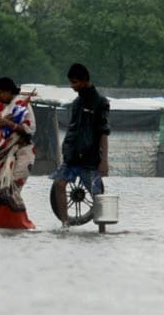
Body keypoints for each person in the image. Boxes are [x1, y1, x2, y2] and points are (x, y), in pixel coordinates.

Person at [50, 63, 110, 227]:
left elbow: (104, 133)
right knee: (59, 184)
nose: (73, 86)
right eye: (71, 82)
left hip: (90, 159)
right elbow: (73, 129)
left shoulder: (100, 102)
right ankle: (65, 224)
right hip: (72, 156)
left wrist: (104, 160)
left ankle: (102, 231)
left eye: (75, 82)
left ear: (85, 81)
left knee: (97, 195)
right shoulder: (77, 103)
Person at [0, 77, 37, 229]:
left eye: (0, 93)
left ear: (9, 91)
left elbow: (30, 130)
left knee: (14, 186)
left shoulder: (22, 105)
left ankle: (18, 222)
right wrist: (0, 124)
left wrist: (10, 124)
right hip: (3, 154)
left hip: (23, 152)